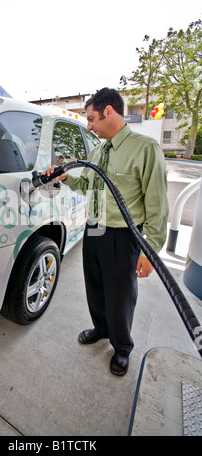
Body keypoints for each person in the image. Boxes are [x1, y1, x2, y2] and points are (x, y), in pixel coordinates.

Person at [45, 88, 169, 376]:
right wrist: (65, 177)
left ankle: (122, 346)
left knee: (120, 295)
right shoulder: (100, 149)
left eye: (91, 119)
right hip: (95, 229)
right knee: (95, 285)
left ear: (109, 112)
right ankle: (101, 328)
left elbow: (157, 206)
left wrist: (150, 251)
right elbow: (88, 184)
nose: (89, 126)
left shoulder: (145, 148)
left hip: (123, 235)